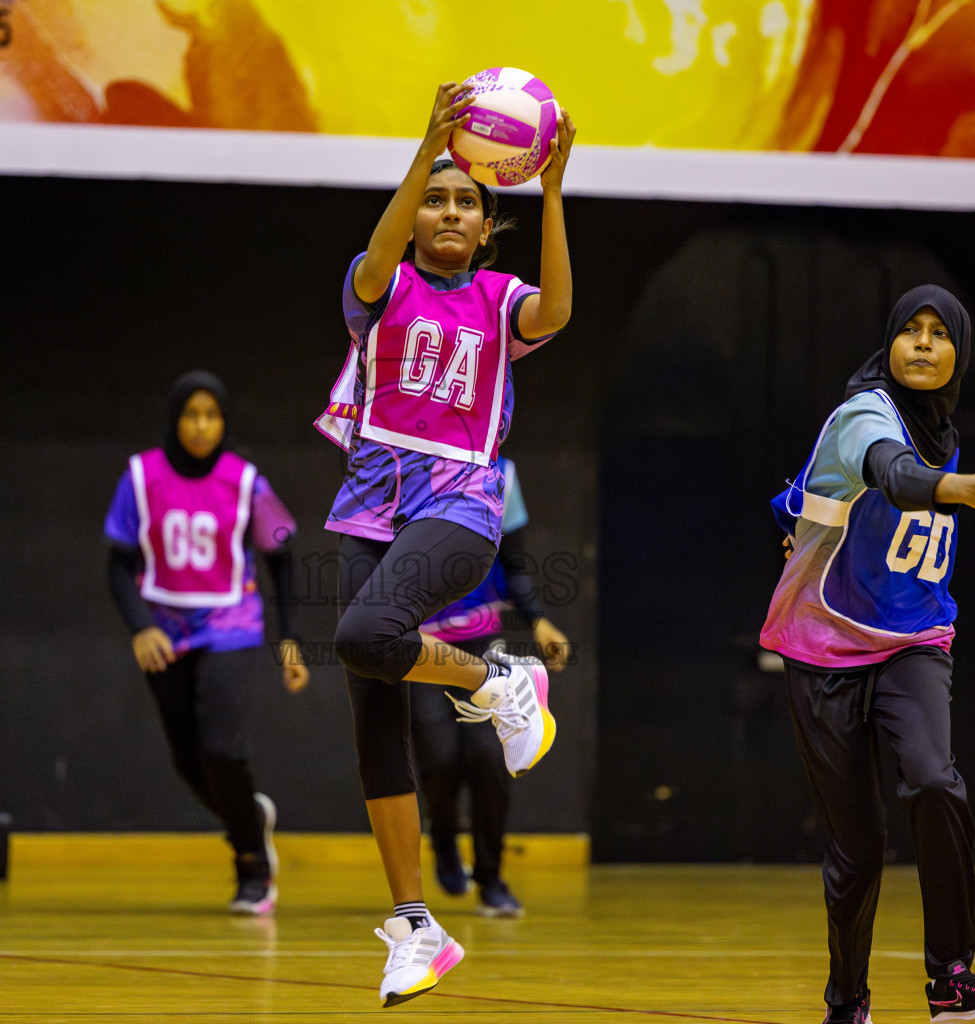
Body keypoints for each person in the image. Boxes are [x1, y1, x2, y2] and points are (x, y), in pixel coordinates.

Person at [313, 82, 575, 1007]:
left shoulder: (503, 301)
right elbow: (379, 251)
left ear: (486, 224)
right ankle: (416, 927)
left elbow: (559, 315)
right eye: (437, 196)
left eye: (468, 199)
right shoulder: (378, 285)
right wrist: (425, 148)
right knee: (372, 720)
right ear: (415, 209)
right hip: (367, 504)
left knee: (360, 637)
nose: (451, 209)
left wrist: (549, 192)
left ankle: (499, 680)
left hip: (460, 500)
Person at [760, 286, 975, 1024]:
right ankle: (847, 1003)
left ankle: (951, 981)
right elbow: (893, 475)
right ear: (889, 342)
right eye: (908, 330)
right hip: (822, 649)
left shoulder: (940, 430)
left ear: (958, 355)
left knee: (935, 781)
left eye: (939, 334)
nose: (921, 343)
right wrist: (956, 489)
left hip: (913, 640)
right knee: (858, 853)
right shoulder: (865, 414)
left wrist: (954, 481)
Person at [104, 370, 309, 916]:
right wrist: (139, 627)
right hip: (164, 631)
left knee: (221, 751)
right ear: (175, 420)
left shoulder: (246, 482)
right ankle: (249, 817)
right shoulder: (140, 476)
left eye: (211, 415)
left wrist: (290, 640)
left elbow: (282, 558)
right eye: (191, 414)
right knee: (189, 761)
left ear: (223, 422)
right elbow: (119, 566)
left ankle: (251, 863)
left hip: (230, 625)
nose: (201, 425)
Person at [411, 457, 572, 917]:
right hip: (420, 644)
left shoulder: (502, 474)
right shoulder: (404, 466)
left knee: (488, 756)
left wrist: (538, 620)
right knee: (439, 756)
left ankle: (491, 878)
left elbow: (514, 562)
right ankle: (443, 841)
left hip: (482, 641)